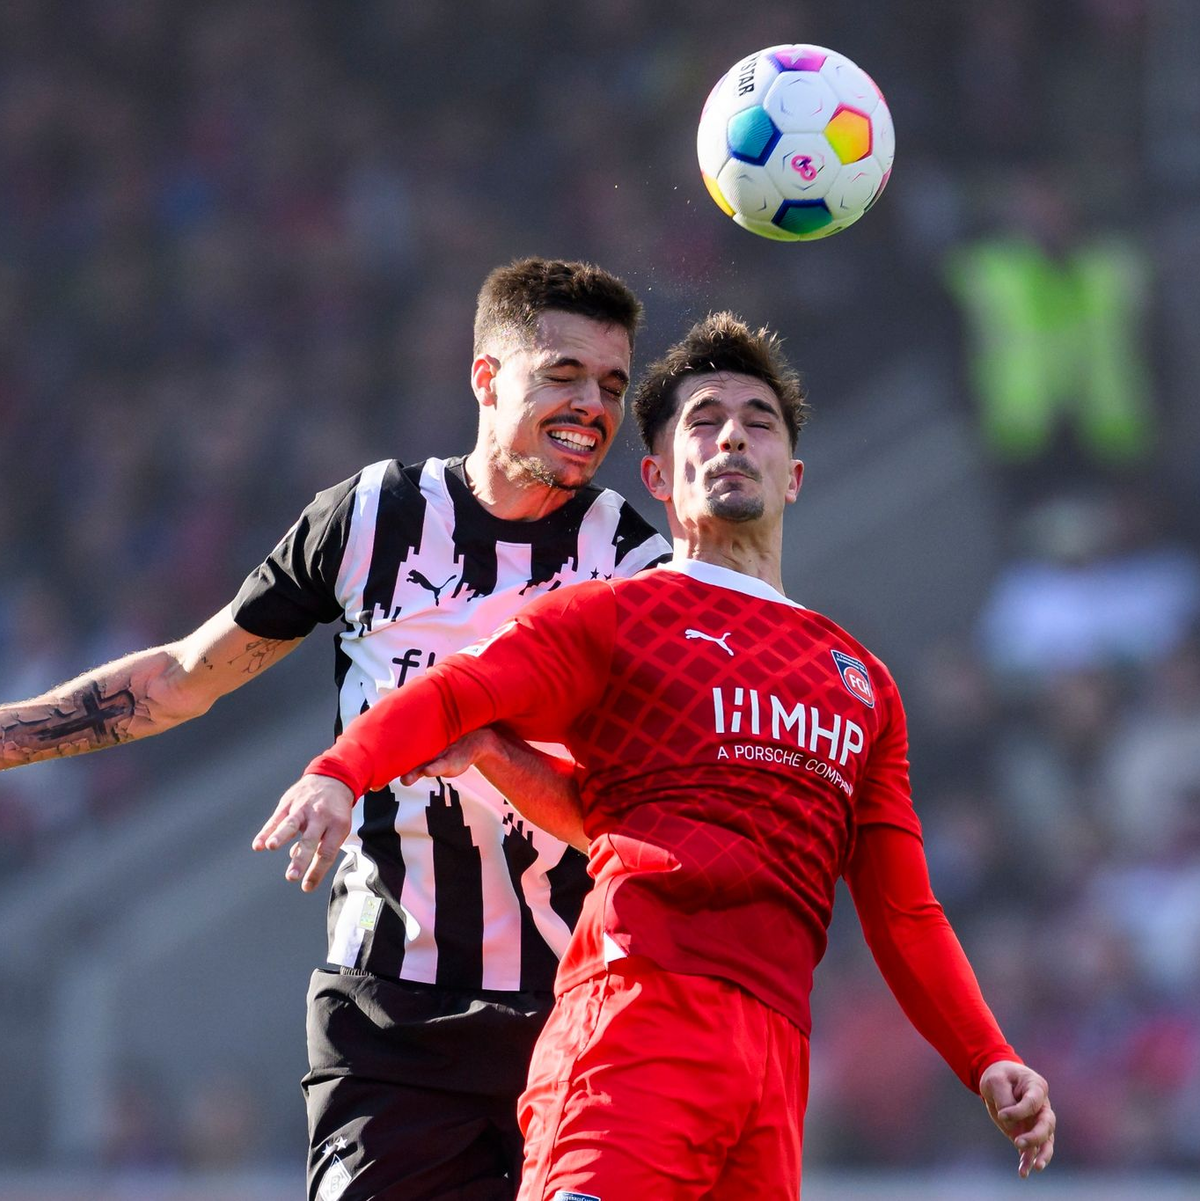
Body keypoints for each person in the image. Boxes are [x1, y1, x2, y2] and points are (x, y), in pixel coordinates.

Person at [260, 312, 1057, 1199]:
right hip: (636, 1018)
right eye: (703, 422)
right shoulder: (616, 616)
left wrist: (987, 1054)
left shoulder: (864, 682)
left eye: (758, 422)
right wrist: (339, 771)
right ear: (660, 477)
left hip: (775, 1062)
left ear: (792, 475)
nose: (731, 439)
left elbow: (903, 910)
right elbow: (454, 691)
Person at [0, 257, 671, 1201]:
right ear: (485, 377)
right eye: (562, 373)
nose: (592, 404)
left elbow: (645, 817)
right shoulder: (371, 518)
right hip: (388, 1012)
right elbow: (187, 679)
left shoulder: (637, 564)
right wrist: (9, 737)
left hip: (575, 1010)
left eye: (611, 383)